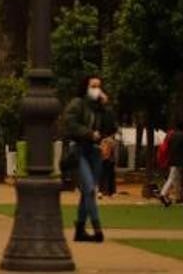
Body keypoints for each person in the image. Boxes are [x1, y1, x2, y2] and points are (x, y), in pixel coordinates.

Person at [62, 74, 116, 243]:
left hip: (95, 151)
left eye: (99, 86)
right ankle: (97, 229)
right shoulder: (77, 104)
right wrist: (89, 133)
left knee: (87, 192)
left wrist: (106, 106)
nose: (96, 89)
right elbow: (70, 123)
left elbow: (111, 126)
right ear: (86, 87)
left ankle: (79, 229)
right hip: (80, 150)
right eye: (93, 86)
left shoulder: (100, 108)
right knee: (90, 189)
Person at [159, 122, 183, 207]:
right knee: (172, 178)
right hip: (179, 161)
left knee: (176, 179)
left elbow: (168, 147)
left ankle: (177, 197)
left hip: (171, 160)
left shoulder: (172, 136)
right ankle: (163, 194)